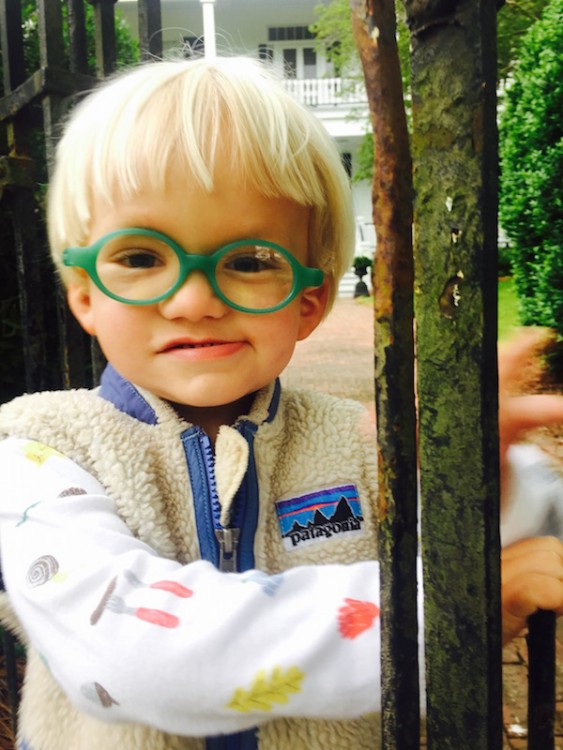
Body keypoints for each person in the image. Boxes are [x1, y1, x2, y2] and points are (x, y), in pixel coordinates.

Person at [0, 56, 561, 750]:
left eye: (248, 260)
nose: (193, 301)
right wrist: (455, 606)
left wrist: (478, 480)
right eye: (141, 257)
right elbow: (126, 653)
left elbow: (519, 550)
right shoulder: (37, 449)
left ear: (308, 301)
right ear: (83, 294)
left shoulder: (356, 443)